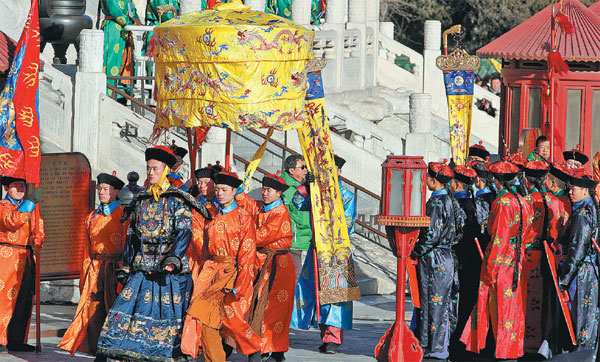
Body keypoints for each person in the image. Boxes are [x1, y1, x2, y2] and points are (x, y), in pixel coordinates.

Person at [96, 146, 210, 362]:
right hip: (142, 265)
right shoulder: (141, 200)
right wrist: (128, 265)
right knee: (125, 308)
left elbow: (185, 231)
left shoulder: (178, 199)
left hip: (169, 268)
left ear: (166, 170)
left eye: (155, 169)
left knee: (167, 315)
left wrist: (173, 258)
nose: (150, 173)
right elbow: (131, 235)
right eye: (148, 169)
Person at [182, 171, 259, 362]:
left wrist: (241, 283)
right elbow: (206, 249)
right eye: (217, 190)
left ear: (234, 190)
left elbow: (248, 253)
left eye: (224, 190)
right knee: (205, 315)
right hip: (211, 270)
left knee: (230, 318)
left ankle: (254, 346)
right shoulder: (212, 216)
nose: (220, 194)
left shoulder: (243, 217)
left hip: (231, 271)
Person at [461, 160, 533, 360]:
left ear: (497, 181)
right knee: (514, 309)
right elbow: (526, 234)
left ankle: (501, 351)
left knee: (498, 309)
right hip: (517, 260)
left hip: (502, 263)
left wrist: (490, 270)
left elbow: (499, 239)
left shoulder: (502, 203)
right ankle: (512, 350)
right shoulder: (522, 201)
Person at [290, 155, 356, 355]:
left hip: (337, 251)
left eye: (332, 169)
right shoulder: (315, 192)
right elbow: (297, 203)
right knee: (316, 292)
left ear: (339, 172)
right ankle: (324, 333)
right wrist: (305, 186)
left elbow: (348, 224)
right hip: (316, 249)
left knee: (335, 296)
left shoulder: (346, 196)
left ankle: (333, 338)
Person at [58, 173, 127, 361]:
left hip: (115, 266)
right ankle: (100, 351)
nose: (101, 192)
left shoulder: (122, 214)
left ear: (116, 192)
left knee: (114, 308)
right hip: (96, 268)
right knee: (94, 309)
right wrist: (86, 270)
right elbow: (86, 246)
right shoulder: (92, 216)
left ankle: (117, 349)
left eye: (106, 189)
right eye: (99, 189)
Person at [409, 161, 465, 361]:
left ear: (433, 180)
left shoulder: (435, 203)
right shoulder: (452, 201)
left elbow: (430, 235)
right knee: (442, 303)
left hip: (433, 258)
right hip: (447, 255)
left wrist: (415, 250)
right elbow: (460, 229)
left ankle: (430, 345)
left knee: (431, 302)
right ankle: (440, 346)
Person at [243, 174, 294, 362]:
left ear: (279, 193)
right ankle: (266, 348)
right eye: (263, 189)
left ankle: (271, 349)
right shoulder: (262, 208)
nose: (264, 193)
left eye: (269, 190)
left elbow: (261, 235)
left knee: (273, 308)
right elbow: (246, 203)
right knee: (259, 305)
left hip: (277, 267)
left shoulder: (280, 213)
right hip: (263, 262)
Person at [520, 161, 568, 358]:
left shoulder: (526, 201)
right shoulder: (555, 202)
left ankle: (527, 345)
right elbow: (560, 229)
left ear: (526, 180)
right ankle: (542, 345)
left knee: (527, 300)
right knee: (545, 301)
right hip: (548, 257)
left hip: (528, 256)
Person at [557, 169, 599, 352]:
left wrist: (564, 279)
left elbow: (577, 249)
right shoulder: (590, 208)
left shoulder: (582, 214)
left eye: (575, 188)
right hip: (589, 270)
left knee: (581, 319)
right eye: (570, 188)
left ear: (585, 191)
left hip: (581, 273)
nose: (571, 192)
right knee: (588, 319)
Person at [0, 178, 44, 352]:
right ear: (6, 187)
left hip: (25, 256)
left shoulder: (30, 207)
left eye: (23, 185)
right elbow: (12, 221)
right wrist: (31, 203)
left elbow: (37, 230)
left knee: (24, 299)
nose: (20, 188)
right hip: (7, 257)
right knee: (4, 299)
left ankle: (16, 339)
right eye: (16, 185)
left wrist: (39, 237)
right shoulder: (3, 206)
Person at [448, 165, 481, 361]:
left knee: (456, 304)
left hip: (459, 259)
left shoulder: (456, 205)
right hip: (473, 260)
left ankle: (456, 345)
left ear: (457, 184)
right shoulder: (474, 203)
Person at [100, 0, 142, 100]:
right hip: (114, 29)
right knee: (111, 61)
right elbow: (115, 10)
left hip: (126, 30)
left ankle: (122, 93)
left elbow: (131, 9)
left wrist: (135, 19)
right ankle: (109, 93)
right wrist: (130, 22)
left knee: (125, 61)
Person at [281, 154, 312, 281]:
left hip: (308, 239)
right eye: (302, 167)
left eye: (306, 167)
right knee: (296, 277)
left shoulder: (307, 186)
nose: (305, 170)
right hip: (294, 239)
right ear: (292, 170)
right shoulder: (284, 188)